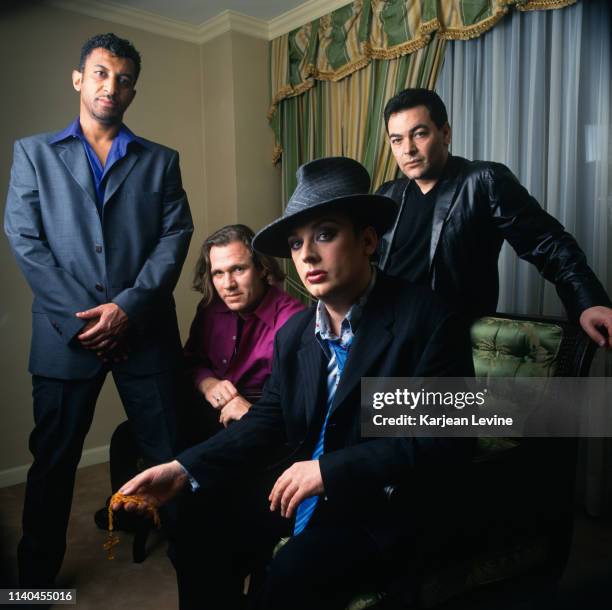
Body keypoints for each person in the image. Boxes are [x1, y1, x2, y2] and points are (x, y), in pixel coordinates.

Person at [113, 157, 475, 610]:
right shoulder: (297, 334)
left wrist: (327, 471)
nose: (306, 255)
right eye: (296, 242)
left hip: (381, 504)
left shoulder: (429, 319)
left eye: (325, 234)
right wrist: (184, 469)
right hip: (302, 491)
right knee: (195, 527)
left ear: (366, 240)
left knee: (288, 575)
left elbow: (444, 442)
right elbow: (268, 421)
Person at [4, 33, 193, 587]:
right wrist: (94, 316)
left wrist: (128, 309)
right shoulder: (33, 153)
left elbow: (175, 236)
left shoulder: (161, 161)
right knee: (52, 465)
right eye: (102, 73)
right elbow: (24, 238)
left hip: (147, 332)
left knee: (170, 455)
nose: (113, 86)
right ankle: (35, 583)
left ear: (134, 89)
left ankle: (199, 573)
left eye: (125, 78)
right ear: (79, 78)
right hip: (67, 337)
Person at [377, 88, 612, 347]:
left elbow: (548, 244)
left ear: (445, 133)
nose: (407, 149)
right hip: (384, 333)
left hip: (440, 339)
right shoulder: (388, 195)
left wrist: (588, 302)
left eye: (419, 134)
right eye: (397, 140)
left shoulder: (483, 181)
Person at [184, 224, 304, 435]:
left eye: (238, 269)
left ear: (262, 268)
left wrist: (252, 413)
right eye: (218, 273)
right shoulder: (210, 308)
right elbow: (191, 361)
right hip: (210, 408)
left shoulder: (293, 320)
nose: (228, 284)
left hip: (261, 419)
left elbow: (301, 404)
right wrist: (209, 384)